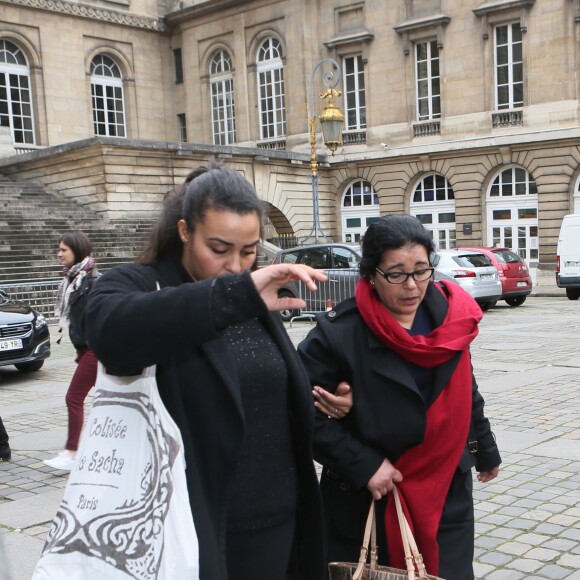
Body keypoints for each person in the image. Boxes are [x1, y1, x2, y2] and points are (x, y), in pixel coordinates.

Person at [85, 163, 333, 580]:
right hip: (191, 529)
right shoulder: (145, 285)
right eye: (219, 249)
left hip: (278, 521)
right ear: (185, 231)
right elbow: (109, 329)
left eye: (249, 250)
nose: (236, 265)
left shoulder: (250, 297)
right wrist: (231, 296)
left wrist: (328, 400)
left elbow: (260, 391)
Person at [298, 215, 501, 580]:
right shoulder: (338, 334)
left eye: (421, 270)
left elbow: (464, 388)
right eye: (396, 274)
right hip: (369, 496)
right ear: (371, 274)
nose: (412, 286)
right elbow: (297, 411)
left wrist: (484, 446)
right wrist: (364, 464)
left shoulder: (452, 318)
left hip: (445, 486)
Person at [43, 231, 99, 471]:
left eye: (63, 249)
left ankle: (72, 452)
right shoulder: (73, 280)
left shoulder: (92, 281)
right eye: (59, 249)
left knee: (73, 398)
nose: (59, 254)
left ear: (77, 250)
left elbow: (101, 318)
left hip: (97, 350)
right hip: (86, 349)